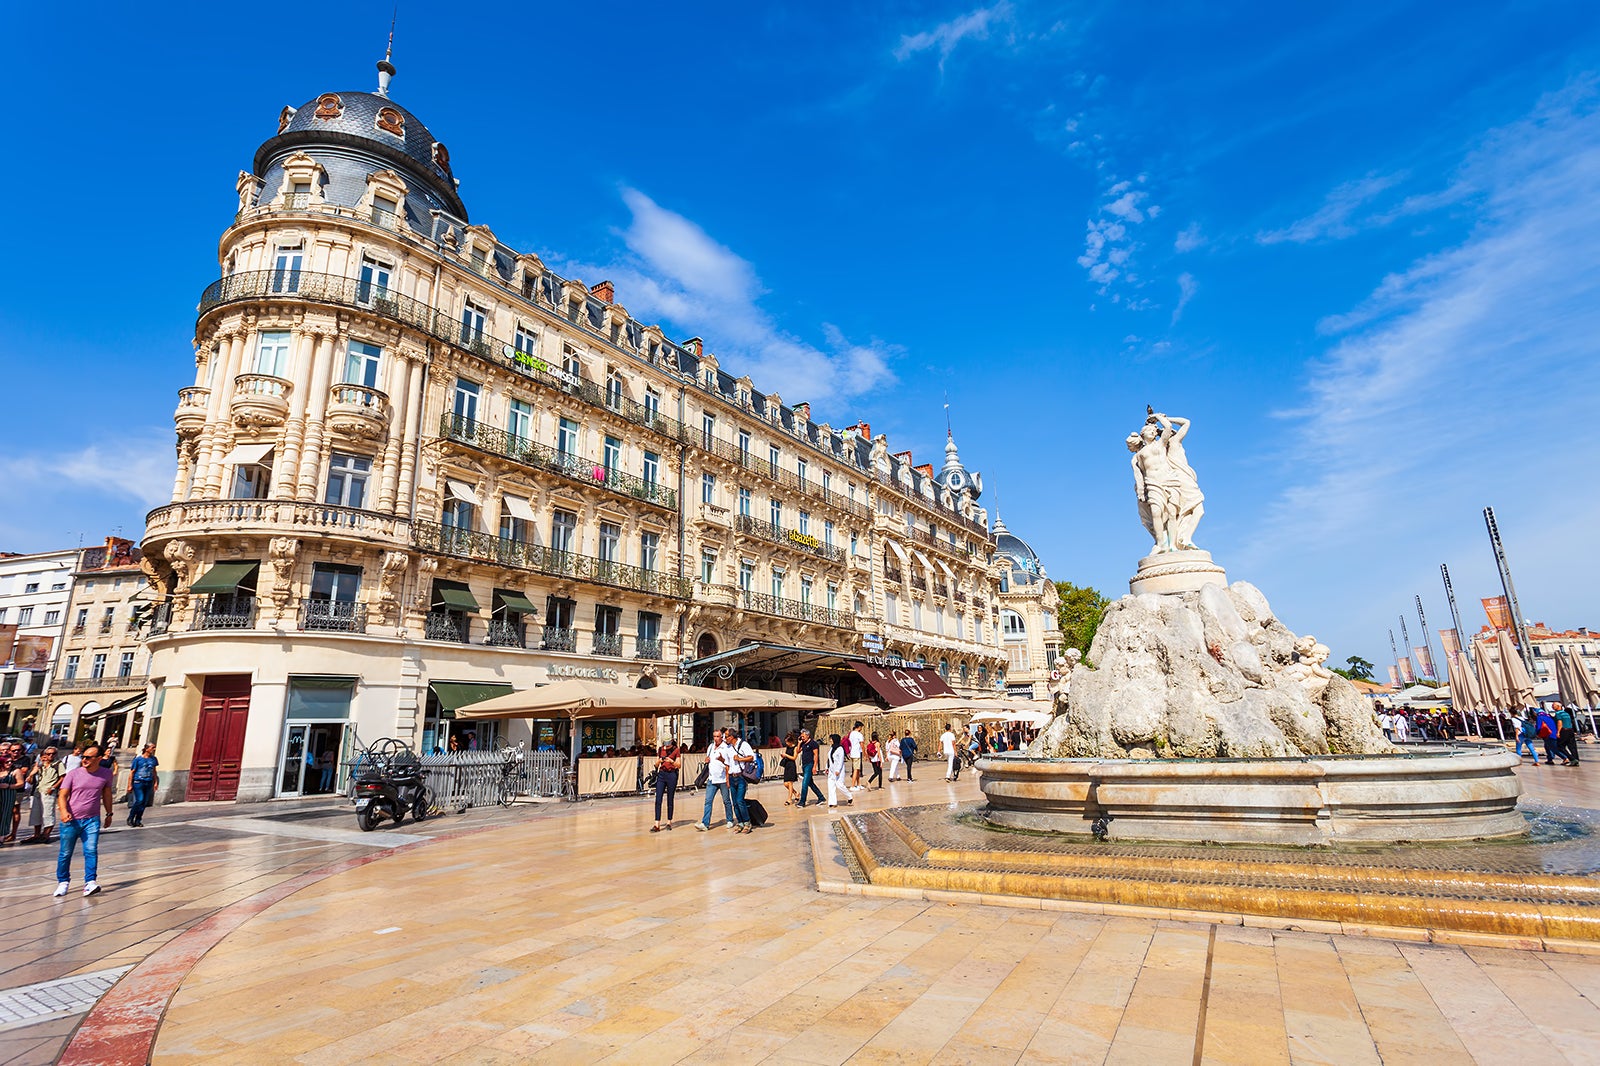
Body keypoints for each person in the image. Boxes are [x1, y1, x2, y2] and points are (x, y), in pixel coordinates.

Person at [55, 743, 115, 897]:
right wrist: (63, 811)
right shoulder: (73, 774)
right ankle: (63, 882)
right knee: (65, 853)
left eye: (89, 757)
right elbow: (62, 795)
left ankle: (90, 882)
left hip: (92, 820)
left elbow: (107, 794)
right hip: (71, 820)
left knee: (91, 850)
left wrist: (109, 813)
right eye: (83, 756)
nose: (84, 759)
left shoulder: (106, 774)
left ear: (99, 758)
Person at [695, 729, 735, 831]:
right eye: (714, 736)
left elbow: (729, 764)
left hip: (722, 779)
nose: (716, 739)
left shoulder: (726, 747)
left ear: (721, 737)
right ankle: (705, 823)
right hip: (712, 779)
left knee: (726, 801)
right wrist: (707, 760)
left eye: (717, 736)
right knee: (708, 801)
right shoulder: (711, 747)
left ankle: (730, 819)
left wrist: (727, 778)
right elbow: (708, 759)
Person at [27, 745, 63, 843]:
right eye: (48, 754)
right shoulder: (41, 766)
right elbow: (29, 780)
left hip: (48, 791)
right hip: (38, 791)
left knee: (48, 813)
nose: (50, 755)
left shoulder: (58, 764)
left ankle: (46, 834)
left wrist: (53, 787)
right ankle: (37, 834)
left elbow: (62, 777)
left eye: (53, 753)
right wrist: (32, 772)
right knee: (36, 813)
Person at [727, 730, 756, 833]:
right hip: (731, 776)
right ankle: (740, 822)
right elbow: (727, 764)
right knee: (734, 802)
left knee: (740, 800)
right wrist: (727, 779)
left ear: (732, 737)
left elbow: (752, 757)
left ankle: (747, 822)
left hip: (741, 777)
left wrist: (740, 759)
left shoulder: (743, 745)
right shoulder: (728, 748)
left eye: (727, 737)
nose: (725, 739)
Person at [650, 736, 682, 832]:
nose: (667, 747)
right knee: (658, 798)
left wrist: (671, 761)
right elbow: (656, 765)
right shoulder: (660, 750)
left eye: (668, 744)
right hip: (662, 774)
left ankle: (669, 821)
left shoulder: (676, 750)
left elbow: (679, 765)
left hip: (672, 774)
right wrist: (659, 760)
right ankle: (657, 823)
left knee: (670, 798)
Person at [128, 743, 160, 827]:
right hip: (138, 782)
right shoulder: (138, 759)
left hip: (148, 782)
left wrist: (155, 782)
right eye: (152, 747)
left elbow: (154, 771)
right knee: (140, 800)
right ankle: (131, 817)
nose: (154, 749)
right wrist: (129, 785)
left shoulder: (153, 759)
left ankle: (138, 819)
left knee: (144, 802)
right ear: (146, 749)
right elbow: (132, 772)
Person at [796, 730, 825, 808]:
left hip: (810, 765)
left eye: (803, 736)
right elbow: (798, 751)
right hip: (804, 765)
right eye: (801, 736)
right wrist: (799, 743)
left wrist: (814, 767)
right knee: (810, 783)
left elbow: (816, 755)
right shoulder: (803, 743)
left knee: (804, 783)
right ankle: (821, 797)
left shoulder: (813, 743)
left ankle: (802, 802)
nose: (802, 737)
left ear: (808, 735)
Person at [826, 734, 852, 808]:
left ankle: (849, 796)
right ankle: (832, 802)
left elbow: (841, 761)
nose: (830, 740)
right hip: (831, 770)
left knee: (839, 785)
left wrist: (838, 770)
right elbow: (829, 759)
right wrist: (826, 767)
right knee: (831, 786)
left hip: (838, 770)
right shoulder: (831, 748)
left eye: (831, 739)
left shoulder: (840, 749)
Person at [779, 732, 799, 806]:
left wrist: (786, 755)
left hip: (791, 765)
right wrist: (783, 756)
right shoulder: (787, 747)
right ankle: (796, 793)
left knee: (790, 783)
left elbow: (794, 757)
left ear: (791, 742)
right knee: (785, 784)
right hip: (787, 765)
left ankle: (789, 799)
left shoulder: (795, 748)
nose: (786, 743)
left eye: (787, 742)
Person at [847, 721, 865, 791]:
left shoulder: (851, 733)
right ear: (859, 727)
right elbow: (862, 745)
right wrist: (865, 754)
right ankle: (852, 785)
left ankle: (858, 784)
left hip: (852, 753)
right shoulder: (859, 734)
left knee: (857, 769)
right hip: (857, 753)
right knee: (856, 770)